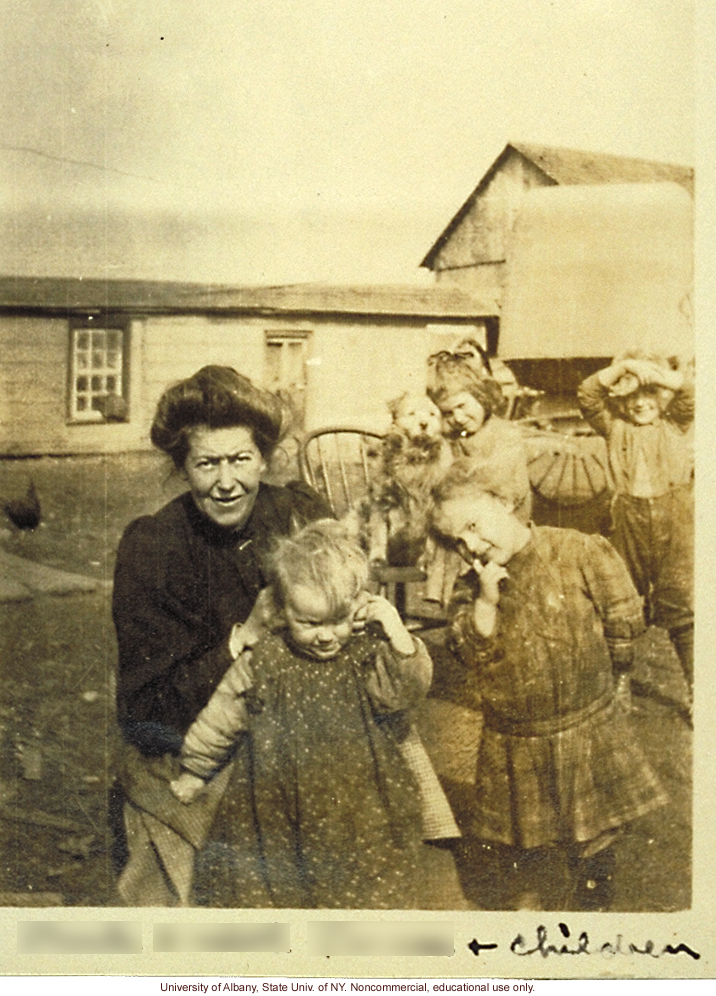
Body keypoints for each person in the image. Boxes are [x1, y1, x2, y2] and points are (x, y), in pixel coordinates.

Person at [111, 364, 331, 904]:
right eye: (207, 463)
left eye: (241, 459)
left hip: (310, 733)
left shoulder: (300, 514)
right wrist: (243, 636)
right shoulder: (154, 548)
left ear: (264, 458)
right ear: (182, 468)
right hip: (200, 749)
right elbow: (146, 714)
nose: (227, 482)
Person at [171, 519, 460, 908]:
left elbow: (406, 692)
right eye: (308, 623)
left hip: (361, 800)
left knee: (365, 889)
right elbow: (224, 714)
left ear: (357, 608)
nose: (325, 636)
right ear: (283, 609)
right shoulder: (267, 659)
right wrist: (195, 769)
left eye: (337, 621)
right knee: (276, 884)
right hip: (276, 799)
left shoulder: (367, 654)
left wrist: (396, 632)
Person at [431, 464, 666, 911]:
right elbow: (468, 649)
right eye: (457, 541)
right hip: (515, 735)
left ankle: (593, 901)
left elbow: (621, 612)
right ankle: (534, 901)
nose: (472, 545)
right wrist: (487, 601)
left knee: (594, 830)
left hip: (585, 722)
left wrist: (620, 674)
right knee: (528, 830)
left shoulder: (576, 550)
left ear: (503, 501)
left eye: (474, 525)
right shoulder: (473, 589)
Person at [577, 355, 694, 692]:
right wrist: (623, 371)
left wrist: (653, 374)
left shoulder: (676, 424)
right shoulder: (615, 427)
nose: (641, 403)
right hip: (626, 522)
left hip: (675, 524)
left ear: (662, 397)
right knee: (620, 600)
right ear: (620, 401)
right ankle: (620, 679)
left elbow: (688, 391)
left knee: (682, 603)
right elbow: (588, 395)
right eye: (631, 397)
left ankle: (695, 689)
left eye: (650, 394)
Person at [421, 355, 531, 608]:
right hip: (462, 528)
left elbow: (498, 479)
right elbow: (435, 480)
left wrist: (456, 475)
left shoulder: (504, 433)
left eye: (462, 406)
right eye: (448, 413)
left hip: (504, 518)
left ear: (480, 397)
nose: (457, 418)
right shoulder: (450, 441)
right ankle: (465, 606)